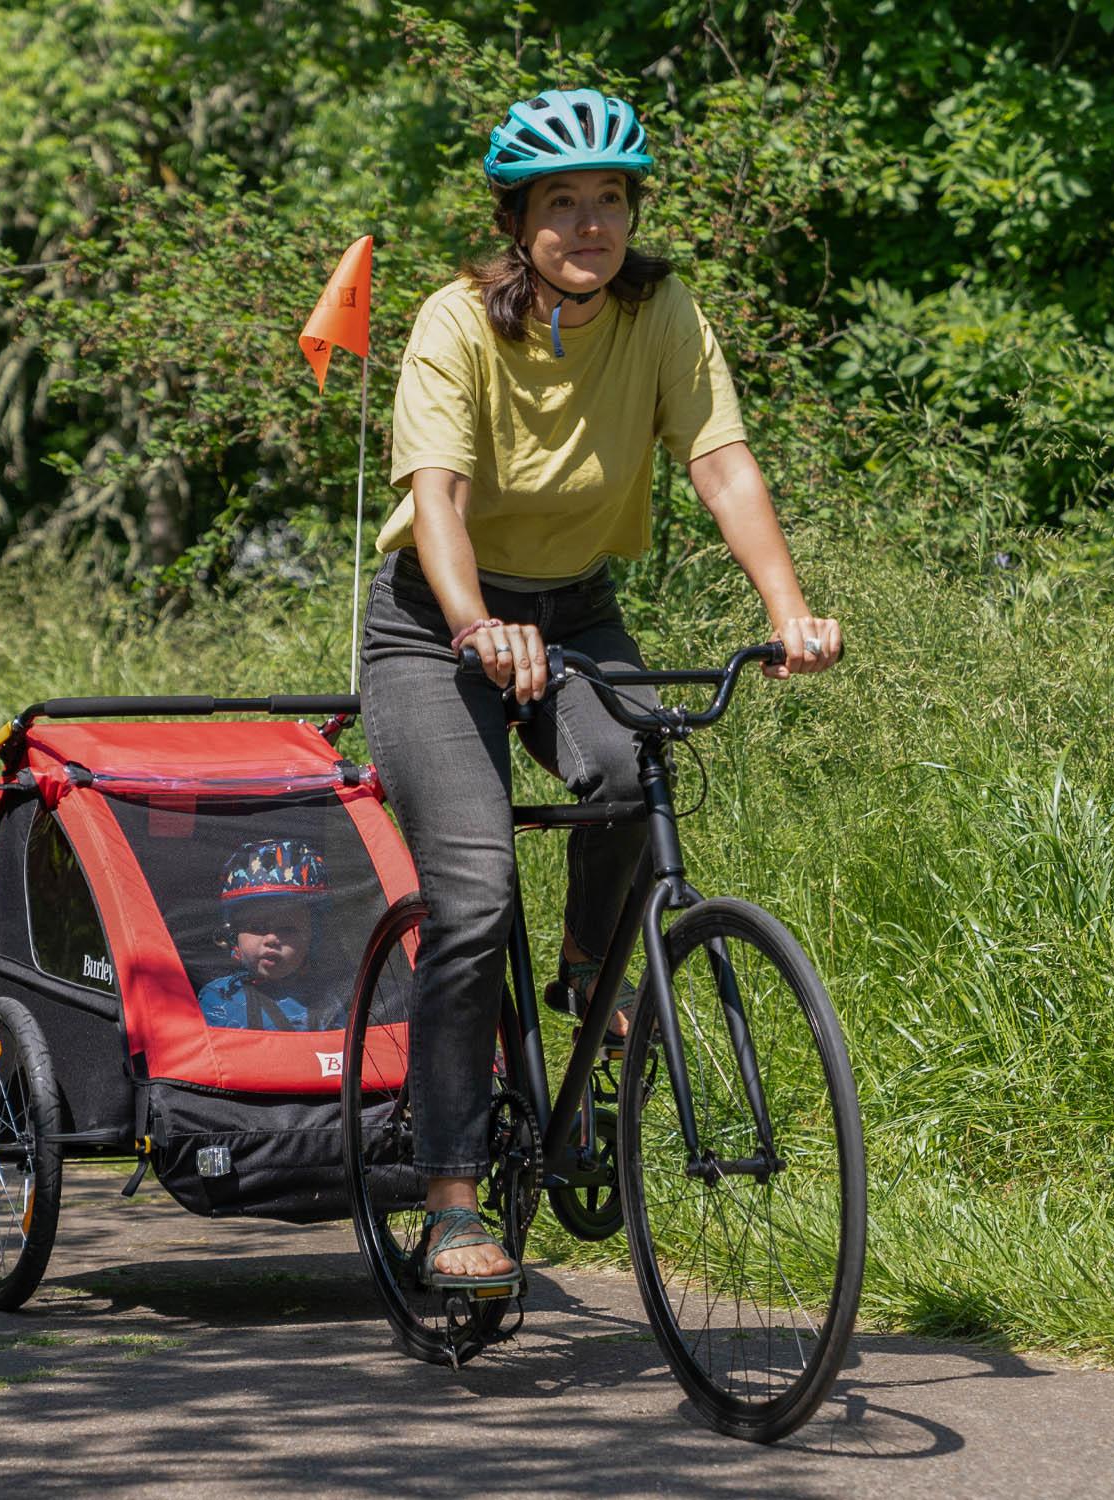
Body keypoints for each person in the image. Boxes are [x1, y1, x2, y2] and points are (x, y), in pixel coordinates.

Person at [360, 87, 841, 1290]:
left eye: (611, 200)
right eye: (563, 203)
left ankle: (585, 968)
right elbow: (441, 501)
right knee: (470, 894)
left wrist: (786, 612)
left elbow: (721, 462)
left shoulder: (660, 309)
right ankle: (455, 1204)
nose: (590, 224)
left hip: (577, 610)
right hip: (434, 625)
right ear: (518, 216)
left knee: (634, 767)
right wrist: (476, 629)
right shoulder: (457, 322)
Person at [197, 838, 343, 1031]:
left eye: (288, 929)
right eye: (256, 927)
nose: (271, 939)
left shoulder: (326, 999)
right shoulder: (220, 998)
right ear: (233, 936)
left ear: (312, 937)